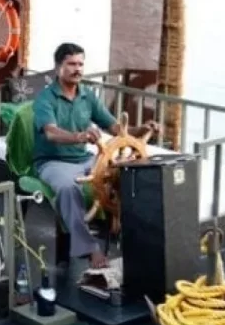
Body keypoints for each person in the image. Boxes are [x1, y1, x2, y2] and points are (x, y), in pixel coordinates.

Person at [33, 42, 160, 268]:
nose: (77, 69)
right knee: (68, 188)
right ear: (58, 68)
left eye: (80, 64)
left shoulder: (87, 96)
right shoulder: (45, 98)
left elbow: (115, 129)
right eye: (71, 64)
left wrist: (143, 129)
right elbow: (51, 133)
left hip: (84, 160)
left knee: (128, 172)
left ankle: (133, 238)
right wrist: (79, 136)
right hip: (53, 162)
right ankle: (90, 249)